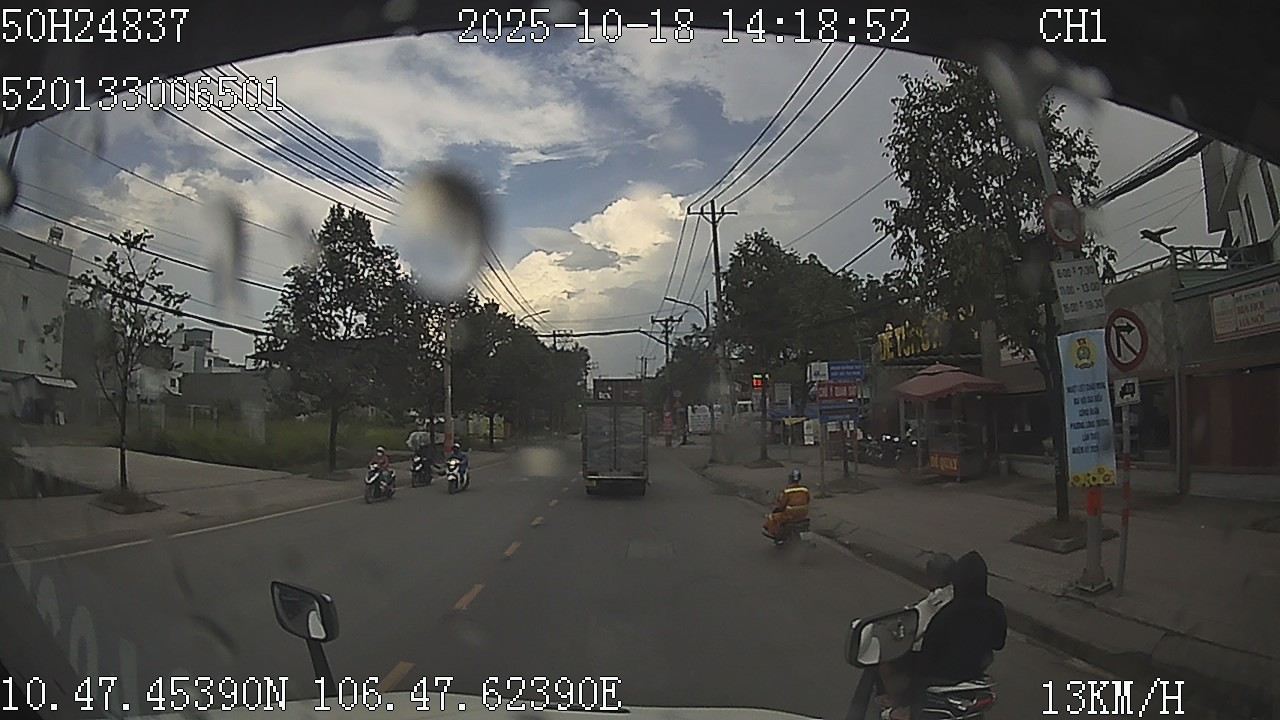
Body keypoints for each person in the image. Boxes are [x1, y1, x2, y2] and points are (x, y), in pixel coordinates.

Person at [883, 550, 1007, 720]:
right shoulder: (996, 608)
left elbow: (929, 647)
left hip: (943, 674)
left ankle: (906, 709)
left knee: (905, 667)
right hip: (977, 669)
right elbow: (999, 643)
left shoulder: (948, 613)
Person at [845, 553, 956, 719]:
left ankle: (898, 703)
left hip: (932, 654)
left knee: (885, 662)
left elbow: (916, 628)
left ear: (932, 577)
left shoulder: (935, 602)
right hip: (956, 652)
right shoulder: (959, 595)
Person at [762, 469, 809, 540]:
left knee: (772, 517)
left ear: (790, 479)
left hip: (790, 515)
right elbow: (808, 500)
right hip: (803, 514)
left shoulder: (787, 491)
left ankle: (778, 537)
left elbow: (782, 505)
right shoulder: (805, 490)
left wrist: (778, 508)